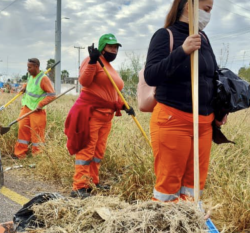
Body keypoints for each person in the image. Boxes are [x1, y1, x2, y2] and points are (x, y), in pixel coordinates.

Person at [144, 0, 226, 203]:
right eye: (206, 9)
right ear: (189, 6)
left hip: (204, 124)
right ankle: (165, 227)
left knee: (194, 184)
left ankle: (189, 224)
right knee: (168, 186)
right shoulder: (165, 35)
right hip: (173, 120)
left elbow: (211, 78)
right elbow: (151, 76)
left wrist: (219, 110)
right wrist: (183, 51)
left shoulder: (203, 38)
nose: (208, 15)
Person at [64, 34, 130, 198]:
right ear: (102, 47)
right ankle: (79, 187)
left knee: (98, 152)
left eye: (116, 47)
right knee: (87, 150)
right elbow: (85, 82)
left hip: (106, 116)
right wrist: (93, 61)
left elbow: (111, 91)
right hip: (92, 114)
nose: (114, 50)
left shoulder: (109, 66)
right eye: (110, 46)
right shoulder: (93, 60)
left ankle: (93, 182)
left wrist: (123, 105)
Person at [13, 58, 56, 159]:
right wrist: (24, 86)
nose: (28, 69)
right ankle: (20, 154)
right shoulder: (30, 75)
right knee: (22, 128)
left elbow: (52, 95)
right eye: (27, 67)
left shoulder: (44, 79)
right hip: (27, 107)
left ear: (36, 67)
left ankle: (38, 156)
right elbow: (30, 83)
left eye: (30, 67)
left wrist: (40, 104)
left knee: (37, 134)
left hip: (37, 110)